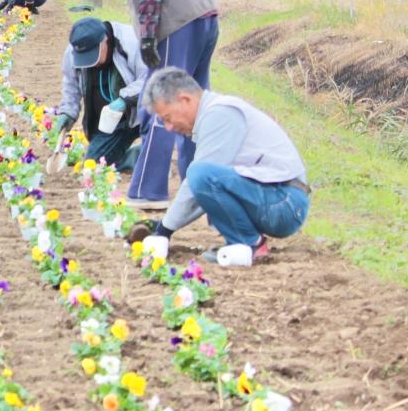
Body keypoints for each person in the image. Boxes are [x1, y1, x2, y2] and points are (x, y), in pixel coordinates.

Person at [90, 0, 221, 209]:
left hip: (177, 20)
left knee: (164, 103)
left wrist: (148, 34)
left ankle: (148, 190)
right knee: (194, 106)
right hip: (204, 13)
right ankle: (198, 188)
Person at [128, 69, 310, 267]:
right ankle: (244, 242)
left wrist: (164, 230)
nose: (169, 128)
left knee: (199, 174)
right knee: (202, 176)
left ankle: (249, 244)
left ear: (184, 100)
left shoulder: (220, 114)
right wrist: (165, 226)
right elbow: (206, 190)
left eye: (167, 118)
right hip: (278, 198)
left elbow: (199, 181)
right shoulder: (214, 113)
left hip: (284, 202)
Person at [56, 17, 149, 171]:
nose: (91, 63)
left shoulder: (131, 41)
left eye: (93, 55)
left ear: (104, 40)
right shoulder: (75, 51)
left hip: (141, 110)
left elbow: (150, 78)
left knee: (159, 106)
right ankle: (135, 157)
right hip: (111, 122)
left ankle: (153, 149)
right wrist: (68, 111)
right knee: (94, 163)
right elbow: (71, 84)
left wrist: (125, 100)